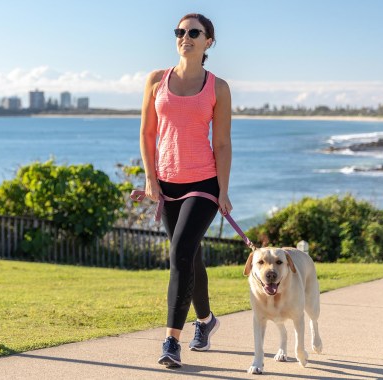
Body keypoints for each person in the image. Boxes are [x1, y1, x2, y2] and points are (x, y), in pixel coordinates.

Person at [138, 13, 232, 369]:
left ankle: (170, 341)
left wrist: (223, 190)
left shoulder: (217, 87)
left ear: (208, 41)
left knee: (179, 253)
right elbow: (147, 135)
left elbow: (221, 144)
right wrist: (150, 179)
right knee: (190, 257)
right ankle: (206, 321)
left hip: (203, 183)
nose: (185, 37)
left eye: (194, 32)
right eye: (180, 32)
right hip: (166, 182)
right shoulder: (155, 81)